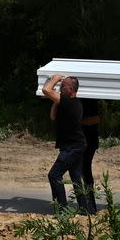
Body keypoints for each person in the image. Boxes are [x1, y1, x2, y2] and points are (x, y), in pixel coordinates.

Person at [43, 74, 88, 212]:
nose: (61, 88)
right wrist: (55, 100)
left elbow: (46, 90)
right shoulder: (69, 102)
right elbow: (53, 116)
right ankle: (84, 209)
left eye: (63, 86)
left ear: (72, 89)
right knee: (75, 177)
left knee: (54, 175)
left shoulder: (70, 102)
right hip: (76, 146)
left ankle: (62, 210)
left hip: (72, 148)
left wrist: (55, 78)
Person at [80, 98, 100, 214]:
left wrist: (76, 120)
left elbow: (96, 118)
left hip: (88, 142)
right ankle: (86, 205)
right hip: (83, 142)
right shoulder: (82, 98)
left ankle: (89, 207)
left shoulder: (88, 99)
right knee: (81, 172)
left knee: (85, 172)